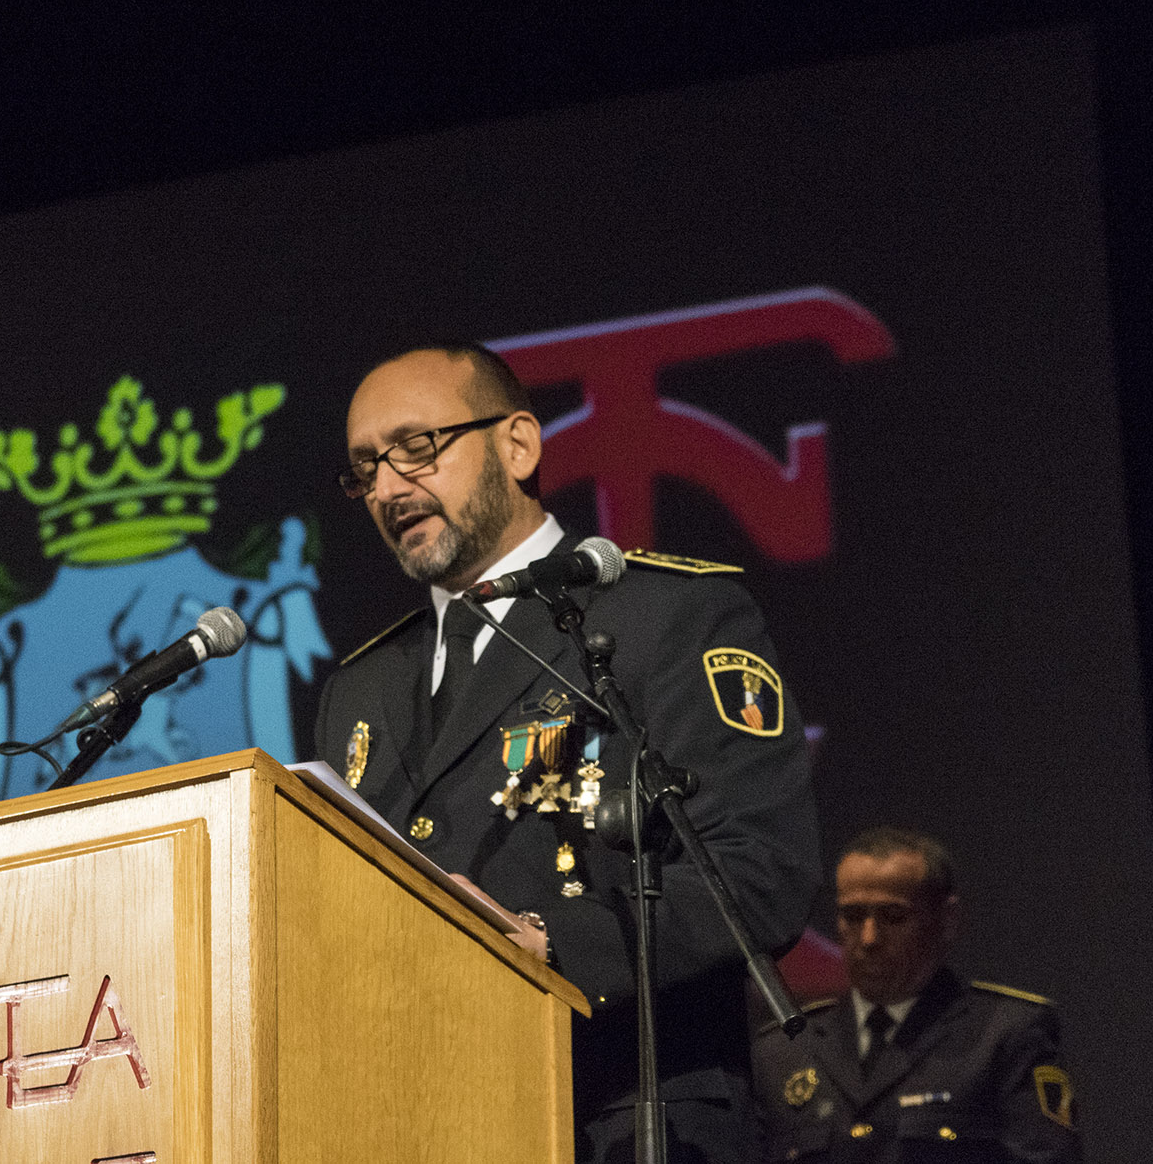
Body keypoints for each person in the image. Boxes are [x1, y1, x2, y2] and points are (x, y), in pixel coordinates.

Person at [313, 343, 820, 1163]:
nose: (387, 488)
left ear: (517, 444)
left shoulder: (666, 614)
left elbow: (761, 872)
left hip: (627, 1110)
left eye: (416, 447)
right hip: (426, 1121)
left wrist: (550, 943)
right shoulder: (361, 688)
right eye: (365, 468)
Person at [750, 827, 1083, 1162]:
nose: (869, 938)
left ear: (947, 920)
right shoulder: (784, 1050)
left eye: (893, 916)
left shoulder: (1003, 1036)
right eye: (853, 916)